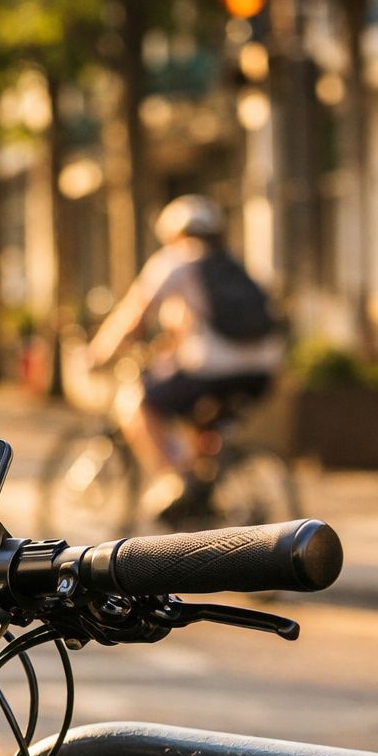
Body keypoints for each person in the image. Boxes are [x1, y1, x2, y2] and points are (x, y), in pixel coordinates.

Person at [86, 194, 284, 519]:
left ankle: (172, 482)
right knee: (202, 419)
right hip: (260, 371)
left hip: (212, 371)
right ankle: (206, 490)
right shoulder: (233, 264)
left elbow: (134, 316)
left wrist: (97, 354)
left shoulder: (175, 260)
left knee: (138, 403)